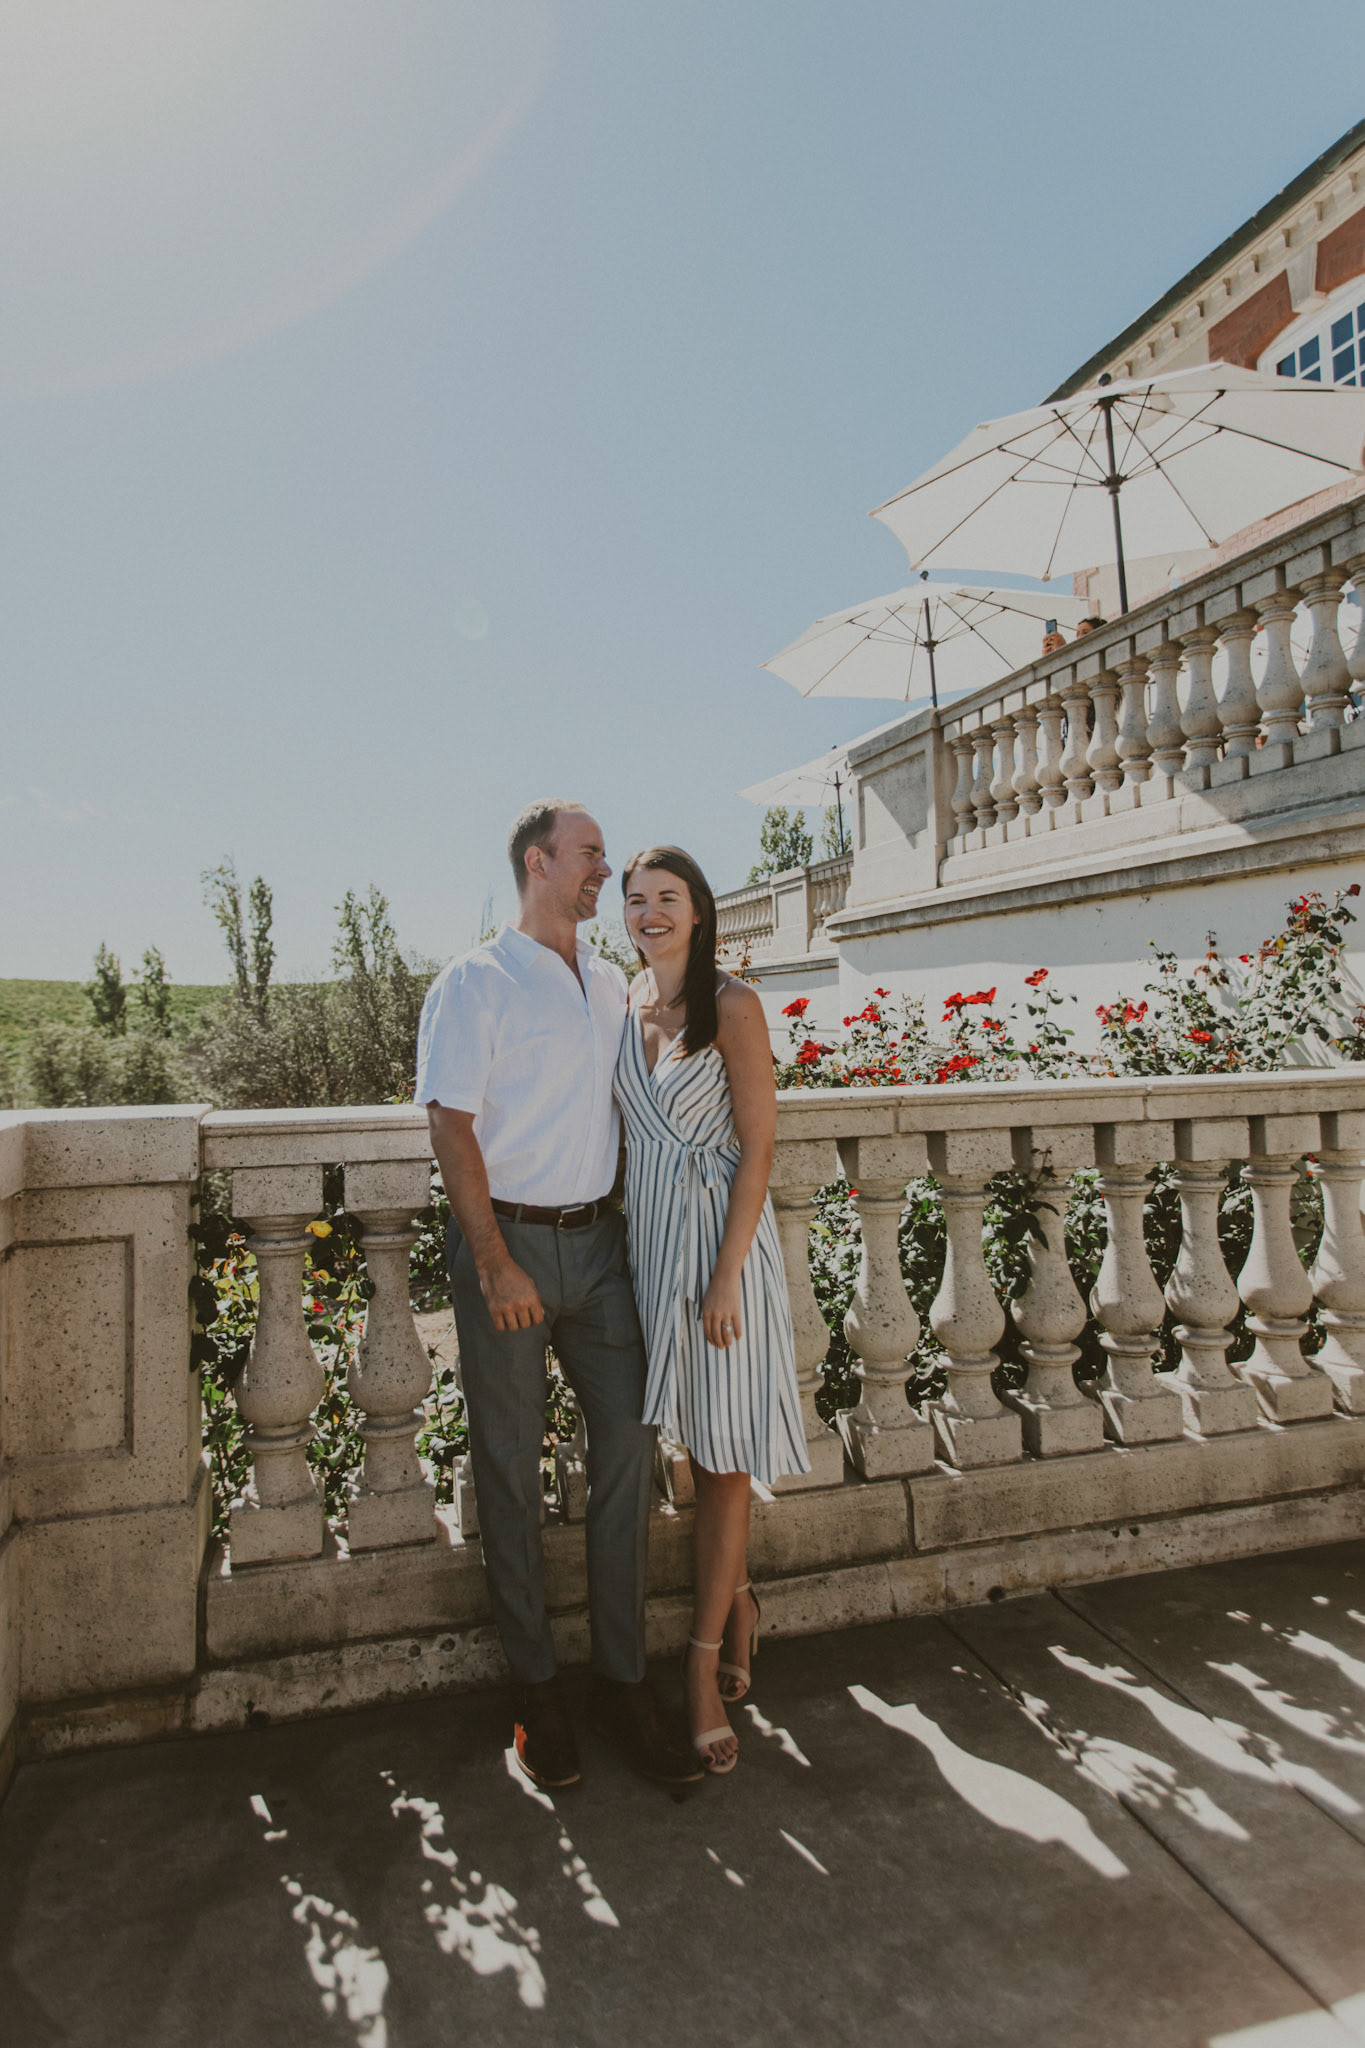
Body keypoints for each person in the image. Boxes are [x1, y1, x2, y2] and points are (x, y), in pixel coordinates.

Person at [417, 800, 701, 1792]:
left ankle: (622, 1681)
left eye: (605, 859)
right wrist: (494, 1260)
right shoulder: (474, 981)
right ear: (537, 863)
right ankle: (536, 1691)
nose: (604, 873)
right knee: (507, 1466)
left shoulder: (611, 983)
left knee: (627, 1445)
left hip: (601, 1247)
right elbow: (450, 1124)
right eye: (589, 856)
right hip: (510, 1248)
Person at [616, 846, 810, 1774]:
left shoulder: (733, 1004)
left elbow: (759, 1145)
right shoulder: (623, 1001)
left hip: (720, 1254)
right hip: (649, 1250)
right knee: (690, 1449)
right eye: (635, 899)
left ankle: (699, 1665)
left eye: (667, 897)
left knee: (725, 1459)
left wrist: (727, 1274)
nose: (649, 912)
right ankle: (740, 1603)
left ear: (698, 911)